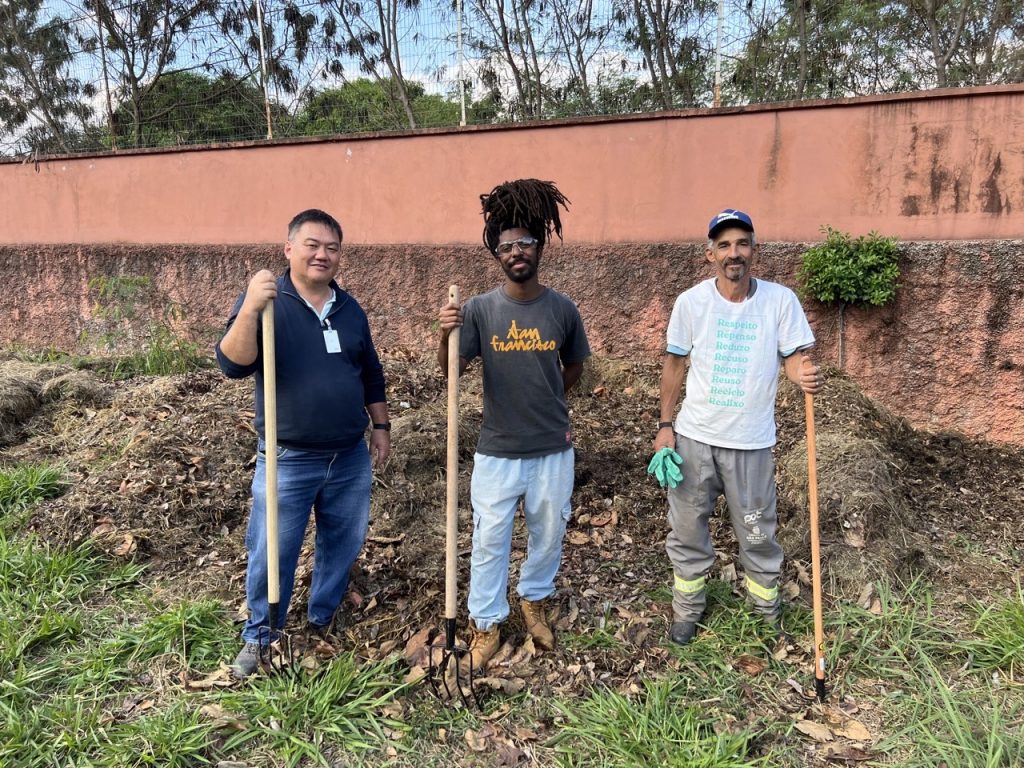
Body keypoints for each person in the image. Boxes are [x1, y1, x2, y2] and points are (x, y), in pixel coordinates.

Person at [216, 208, 390, 677]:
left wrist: (380, 426)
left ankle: (322, 614)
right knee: (273, 549)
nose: (322, 254)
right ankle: (260, 632)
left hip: (350, 455)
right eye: (312, 244)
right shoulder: (269, 302)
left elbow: (370, 371)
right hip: (288, 457)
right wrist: (251, 307)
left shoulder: (350, 309)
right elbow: (232, 364)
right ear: (289, 248)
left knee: (344, 540)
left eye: (332, 247)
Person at [437, 179, 591, 674]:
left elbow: (573, 369)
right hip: (497, 450)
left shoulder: (563, 309)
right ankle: (486, 623)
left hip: (551, 447)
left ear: (540, 246)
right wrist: (445, 336)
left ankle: (534, 601)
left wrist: (544, 399)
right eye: (506, 245)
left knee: (548, 533)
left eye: (525, 242)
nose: (516, 251)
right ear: (496, 253)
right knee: (488, 541)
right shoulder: (478, 310)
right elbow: (451, 373)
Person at [652, 208, 823, 646]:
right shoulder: (691, 303)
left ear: (755, 251)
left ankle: (765, 611)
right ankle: (687, 610)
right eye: (724, 245)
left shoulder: (780, 301)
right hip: (695, 438)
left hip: (751, 442)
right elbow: (674, 364)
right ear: (710, 255)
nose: (734, 253)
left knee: (757, 530)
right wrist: (665, 425)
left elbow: (792, 357)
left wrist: (800, 372)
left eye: (742, 243)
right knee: (687, 529)